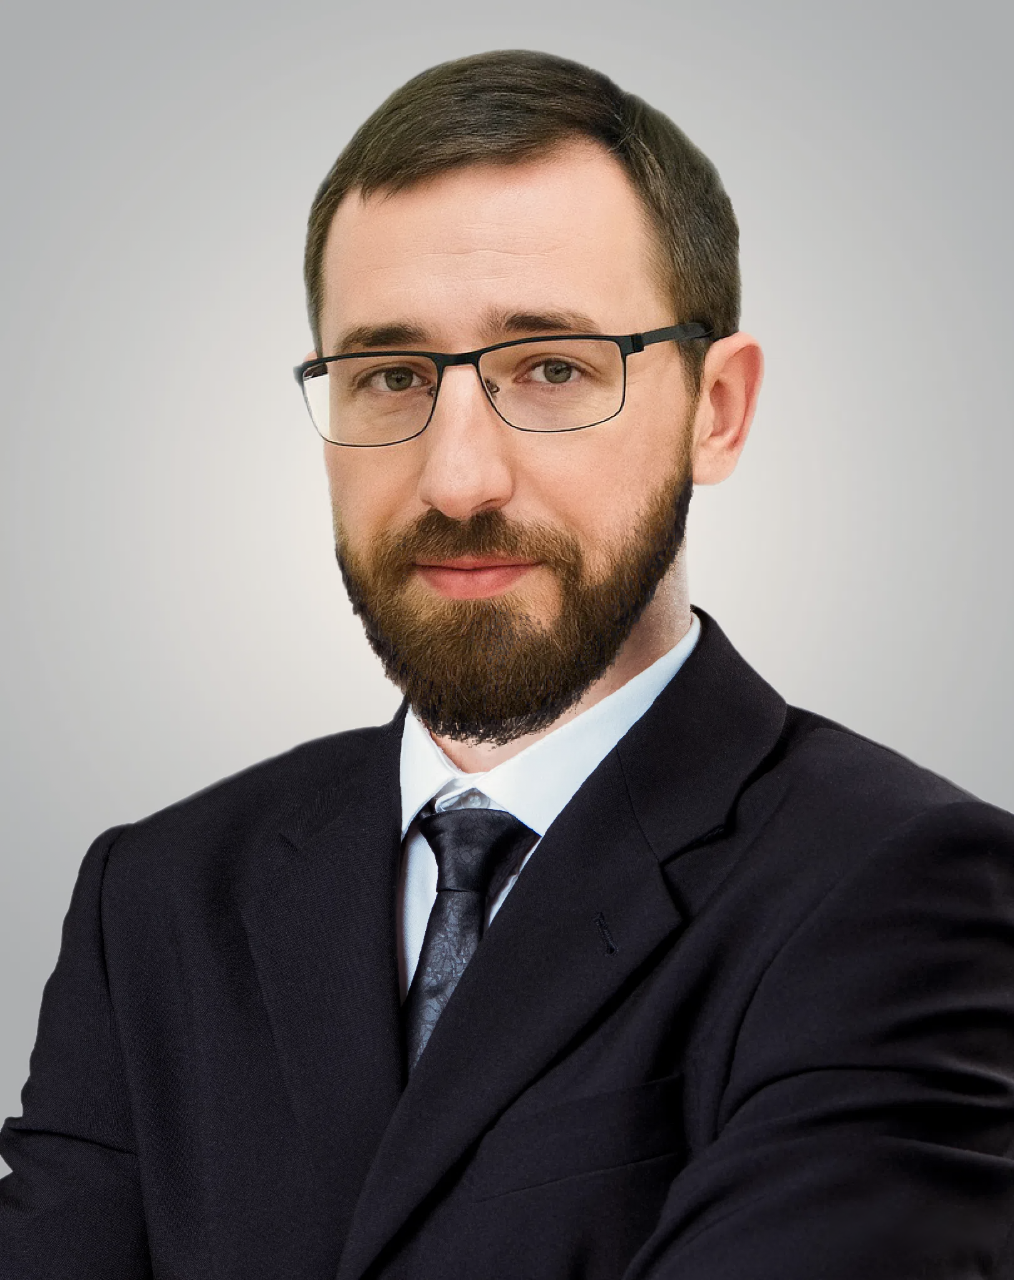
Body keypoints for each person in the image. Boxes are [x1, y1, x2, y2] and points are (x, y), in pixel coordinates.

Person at [2, 47, 1013, 1280]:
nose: (459, 479)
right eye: (390, 377)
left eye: (552, 369)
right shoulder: (157, 894)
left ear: (718, 410)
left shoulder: (907, 889)